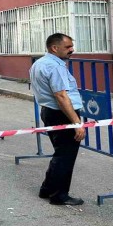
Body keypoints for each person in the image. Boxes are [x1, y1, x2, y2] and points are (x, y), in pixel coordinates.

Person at [30, 33, 85, 206]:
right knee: (65, 156)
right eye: (68, 47)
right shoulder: (55, 67)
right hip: (62, 114)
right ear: (54, 48)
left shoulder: (39, 63)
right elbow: (61, 96)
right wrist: (76, 123)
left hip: (49, 112)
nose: (72, 50)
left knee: (61, 153)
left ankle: (47, 189)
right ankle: (59, 195)